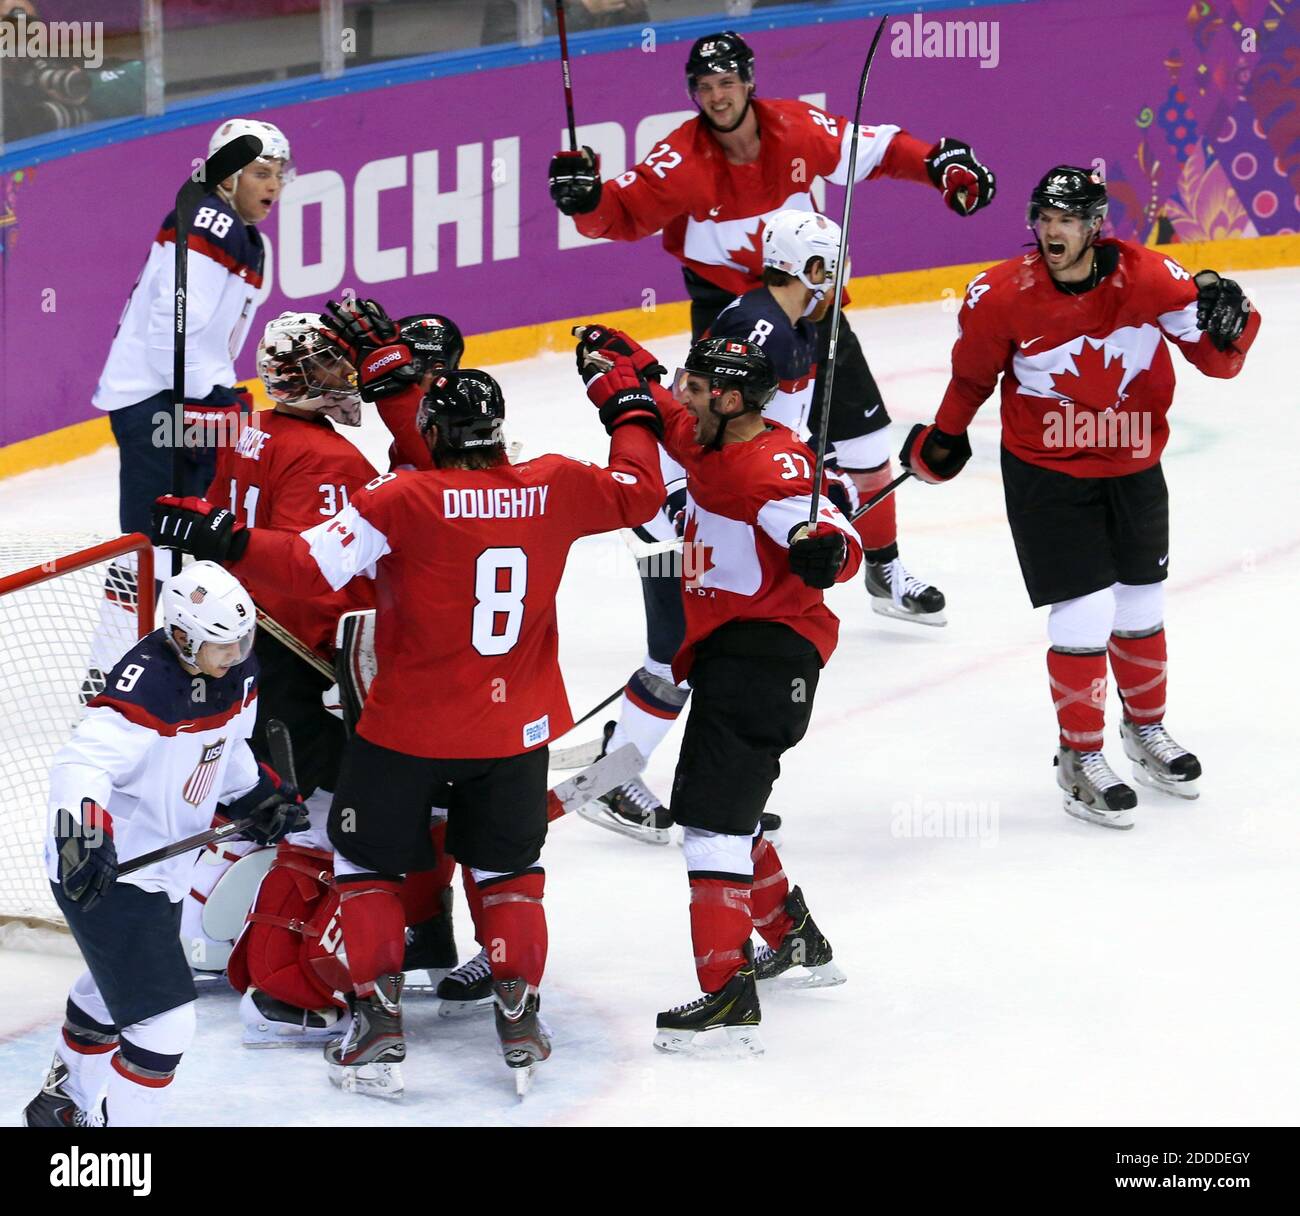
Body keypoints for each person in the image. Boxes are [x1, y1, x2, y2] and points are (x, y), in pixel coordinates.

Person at [150, 303, 665, 1095]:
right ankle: (520, 1018)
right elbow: (638, 490)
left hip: (405, 727)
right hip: (515, 729)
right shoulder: (554, 484)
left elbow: (304, 565)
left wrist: (222, 538)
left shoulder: (403, 501)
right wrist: (627, 403)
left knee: (361, 863)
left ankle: (378, 1023)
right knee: (509, 873)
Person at [548, 30, 995, 825]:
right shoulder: (751, 333)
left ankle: (674, 779)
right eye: (703, 82)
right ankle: (656, 781)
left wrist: (940, 162)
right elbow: (715, 431)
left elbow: (879, 146)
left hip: (714, 498)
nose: (718, 94)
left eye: (729, 80)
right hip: (704, 505)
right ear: (811, 271)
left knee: (696, 643)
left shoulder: (786, 300)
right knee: (690, 643)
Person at [900, 166, 1261, 829]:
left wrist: (1235, 321)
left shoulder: (1153, 279)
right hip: (1047, 472)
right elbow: (972, 377)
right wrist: (943, 440)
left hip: (1132, 464)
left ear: (1095, 227)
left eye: (1067, 221)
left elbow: (1220, 362)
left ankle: (1145, 732)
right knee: (1084, 608)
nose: (1053, 232)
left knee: (1141, 602)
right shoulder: (1000, 295)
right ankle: (1080, 755)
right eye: (1044, 219)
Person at [575, 326, 859, 1052]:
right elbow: (666, 415)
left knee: (711, 826)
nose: (682, 397)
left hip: (765, 657)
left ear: (731, 400)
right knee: (732, 809)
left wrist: (830, 549)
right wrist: (624, 360)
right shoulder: (709, 438)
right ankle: (793, 938)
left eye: (694, 388)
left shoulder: (768, 473)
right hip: (737, 652)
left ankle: (727, 991)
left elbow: (830, 538)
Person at [23, 562, 306, 1127]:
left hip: (160, 868)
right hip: (108, 871)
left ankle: (62, 1104)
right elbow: (82, 763)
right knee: (166, 1023)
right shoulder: (147, 683)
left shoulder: (238, 670)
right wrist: (85, 834)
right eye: (221, 644)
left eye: (242, 640)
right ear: (181, 635)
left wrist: (254, 795)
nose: (237, 653)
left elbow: (226, 747)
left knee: (111, 990)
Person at [90, 118, 291, 611]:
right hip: (156, 404)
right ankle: (114, 666)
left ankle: (185, 657)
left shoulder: (246, 237)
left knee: (197, 543)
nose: (273, 184)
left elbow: (208, 341)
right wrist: (212, 400)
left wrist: (218, 396)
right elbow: (170, 334)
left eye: (280, 172)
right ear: (226, 177)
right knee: (152, 547)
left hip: (186, 403)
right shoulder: (208, 221)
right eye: (261, 171)